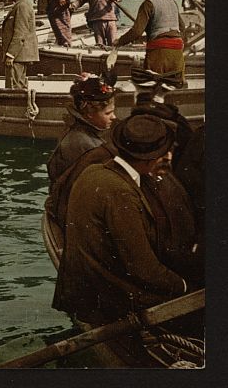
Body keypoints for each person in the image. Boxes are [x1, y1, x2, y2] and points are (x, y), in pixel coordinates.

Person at [52, 114, 188, 327]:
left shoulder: (93, 171)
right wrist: (184, 286)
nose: (169, 156)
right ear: (149, 159)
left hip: (86, 290)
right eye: (164, 152)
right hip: (109, 301)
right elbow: (143, 269)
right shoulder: (120, 192)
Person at [46, 75, 117, 183]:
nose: (114, 117)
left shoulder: (78, 131)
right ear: (89, 114)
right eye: (108, 113)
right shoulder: (85, 144)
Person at [114, 0, 186, 77]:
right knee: (175, 86)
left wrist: (119, 41)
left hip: (159, 54)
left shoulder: (148, 4)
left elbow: (137, 32)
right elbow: (182, 27)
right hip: (177, 52)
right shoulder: (171, 1)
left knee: (154, 85)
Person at [0, 0, 40, 88]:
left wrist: (11, 54)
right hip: (20, 54)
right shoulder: (22, 4)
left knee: (14, 86)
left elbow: (20, 33)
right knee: (19, 85)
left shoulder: (22, 6)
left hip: (18, 55)